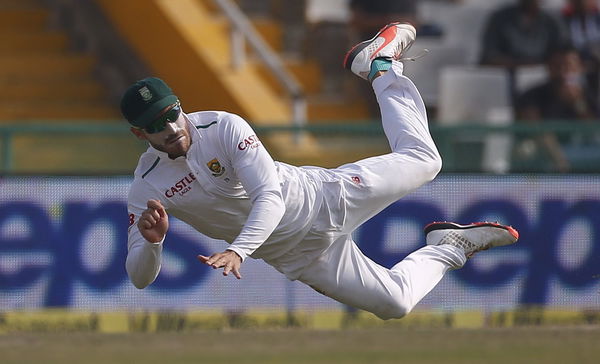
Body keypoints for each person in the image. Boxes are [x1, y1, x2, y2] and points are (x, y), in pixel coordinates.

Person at [122, 23, 519, 320]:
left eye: (173, 114)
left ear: (179, 104)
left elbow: (270, 198)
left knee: (426, 160)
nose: (173, 128)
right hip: (300, 256)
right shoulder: (147, 186)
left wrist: (238, 250)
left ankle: (379, 66)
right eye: (157, 125)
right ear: (140, 133)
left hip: (324, 199)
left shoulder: (223, 126)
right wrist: (153, 243)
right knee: (396, 304)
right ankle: (450, 246)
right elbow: (139, 277)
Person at [513, 45, 600, 173]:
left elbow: (593, 131)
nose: (563, 72)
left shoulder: (588, 96)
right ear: (548, 68)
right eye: (557, 66)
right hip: (544, 155)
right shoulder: (532, 95)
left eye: (569, 66)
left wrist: (578, 103)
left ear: (580, 68)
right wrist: (560, 161)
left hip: (581, 152)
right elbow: (536, 129)